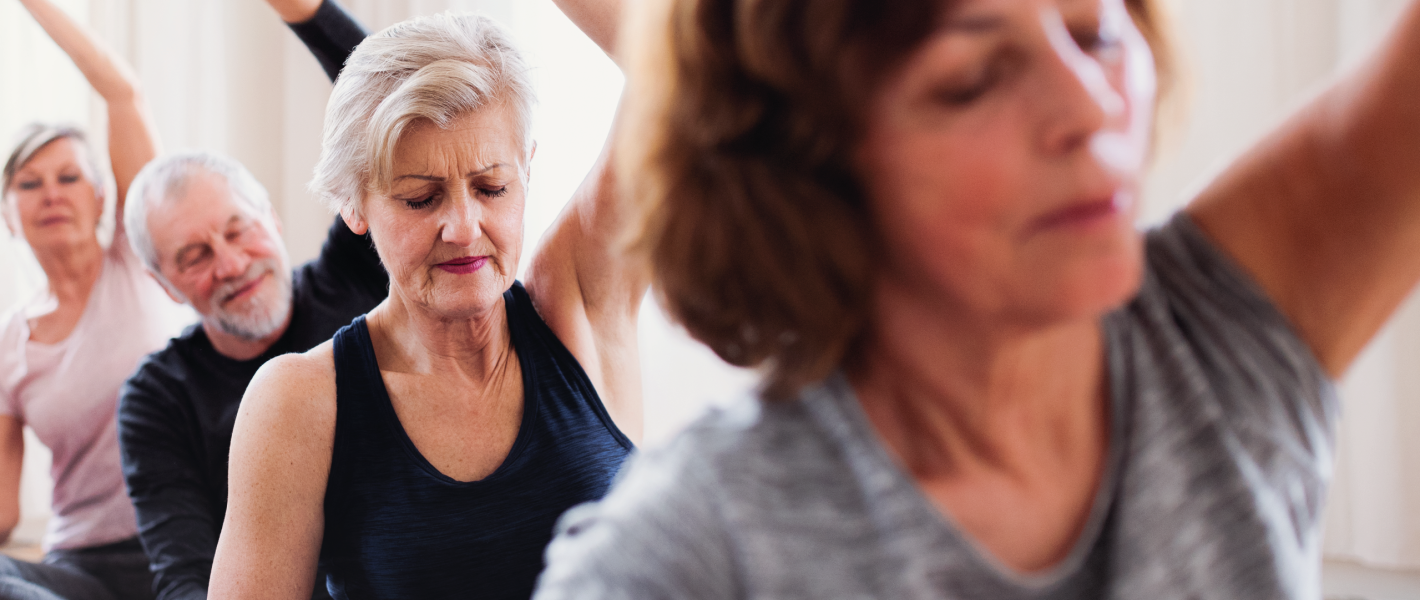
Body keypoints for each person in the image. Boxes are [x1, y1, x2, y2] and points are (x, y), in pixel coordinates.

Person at [533, 0, 1420, 597]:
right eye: (974, 80)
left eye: (1096, 32)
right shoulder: (690, 556)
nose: (1087, 105)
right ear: (810, 167)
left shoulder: (1214, 343)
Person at [206, 4, 643, 599]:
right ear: (353, 206)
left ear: (526, 170)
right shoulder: (300, 402)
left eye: (492, 187)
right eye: (420, 199)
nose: (464, 227)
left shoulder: (578, 302)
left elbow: (678, 71)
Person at [0, 0, 186, 599]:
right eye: (29, 183)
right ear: (7, 215)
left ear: (104, 198)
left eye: (69, 177)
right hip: (82, 567)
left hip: (183, 547)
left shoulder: (139, 258)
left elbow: (122, 93)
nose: (51, 193)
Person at [112, 0, 382, 598]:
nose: (231, 264)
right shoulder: (157, 399)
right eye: (195, 256)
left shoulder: (354, 273)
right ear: (166, 286)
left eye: (237, 230)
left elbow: (381, 96)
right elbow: (184, 577)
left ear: (275, 218)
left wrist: (308, 12)